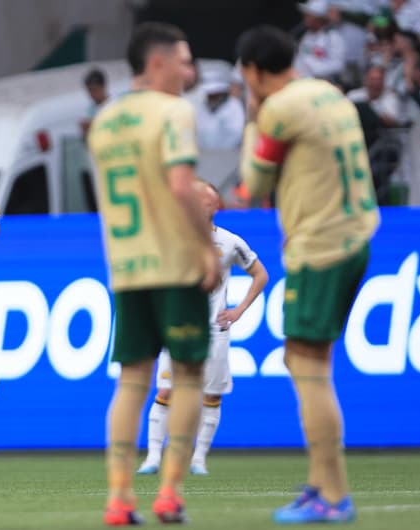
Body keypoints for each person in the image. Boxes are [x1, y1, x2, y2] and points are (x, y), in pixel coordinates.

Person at [237, 25, 380, 523]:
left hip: (319, 248)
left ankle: (334, 496)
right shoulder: (329, 93)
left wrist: (253, 118)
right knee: (305, 362)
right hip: (356, 236)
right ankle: (321, 482)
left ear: (253, 71)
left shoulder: (279, 109)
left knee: (306, 365)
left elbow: (251, 185)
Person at [87, 21, 220, 525]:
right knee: (187, 377)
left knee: (131, 383)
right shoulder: (174, 111)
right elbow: (183, 185)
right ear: (158, 63)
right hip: (175, 263)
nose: (191, 71)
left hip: (126, 267)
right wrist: (207, 249)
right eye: (185, 61)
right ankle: (169, 493)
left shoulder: (105, 119)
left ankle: (119, 498)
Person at [136, 182, 268, 477]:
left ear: (215, 205)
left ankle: (199, 459)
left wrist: (238, 310)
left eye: (205, 198)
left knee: (211, 395)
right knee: (166, 390)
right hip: (178, 327)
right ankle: (154, 457)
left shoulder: (230, 242)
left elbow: (260, 274)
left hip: (214, 331)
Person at [294, 0, 347, 83]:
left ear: (319, 18)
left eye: (309, 16)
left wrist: (315, 69)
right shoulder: (305, 35)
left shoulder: (333, 37)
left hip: (320, 83)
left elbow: (338, 65)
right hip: (299, 80)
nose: (305, 19)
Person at [80, 67, 110, 138]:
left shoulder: (115, 105)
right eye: (89, 91)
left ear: (103, 86)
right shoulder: (89, 110)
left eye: (94, 90)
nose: (92, 94)